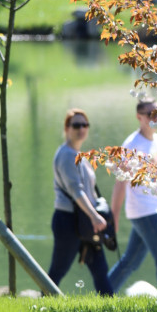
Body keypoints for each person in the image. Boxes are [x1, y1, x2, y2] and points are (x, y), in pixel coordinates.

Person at [108, 100, 157, 293]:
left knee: (130, 262)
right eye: (150, 114)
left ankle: (103, 292)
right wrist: (113, 218)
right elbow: (120, 183)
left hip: (154, 209)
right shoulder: (132, 145)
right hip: (144, 211)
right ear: (139, 117)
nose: (154, 118)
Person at [48, 108, 113, 295]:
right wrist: (95, 216)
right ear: (67, 128)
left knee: (100, 270)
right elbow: (76, 191)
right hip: (69, 221)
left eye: (85, 125)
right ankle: (40, 307)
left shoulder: (80, 156)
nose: (81, 129)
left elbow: (90, 191)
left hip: (86, 221)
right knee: (58, 270)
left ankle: (113, 311)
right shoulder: (66, 155)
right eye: (76, 125)